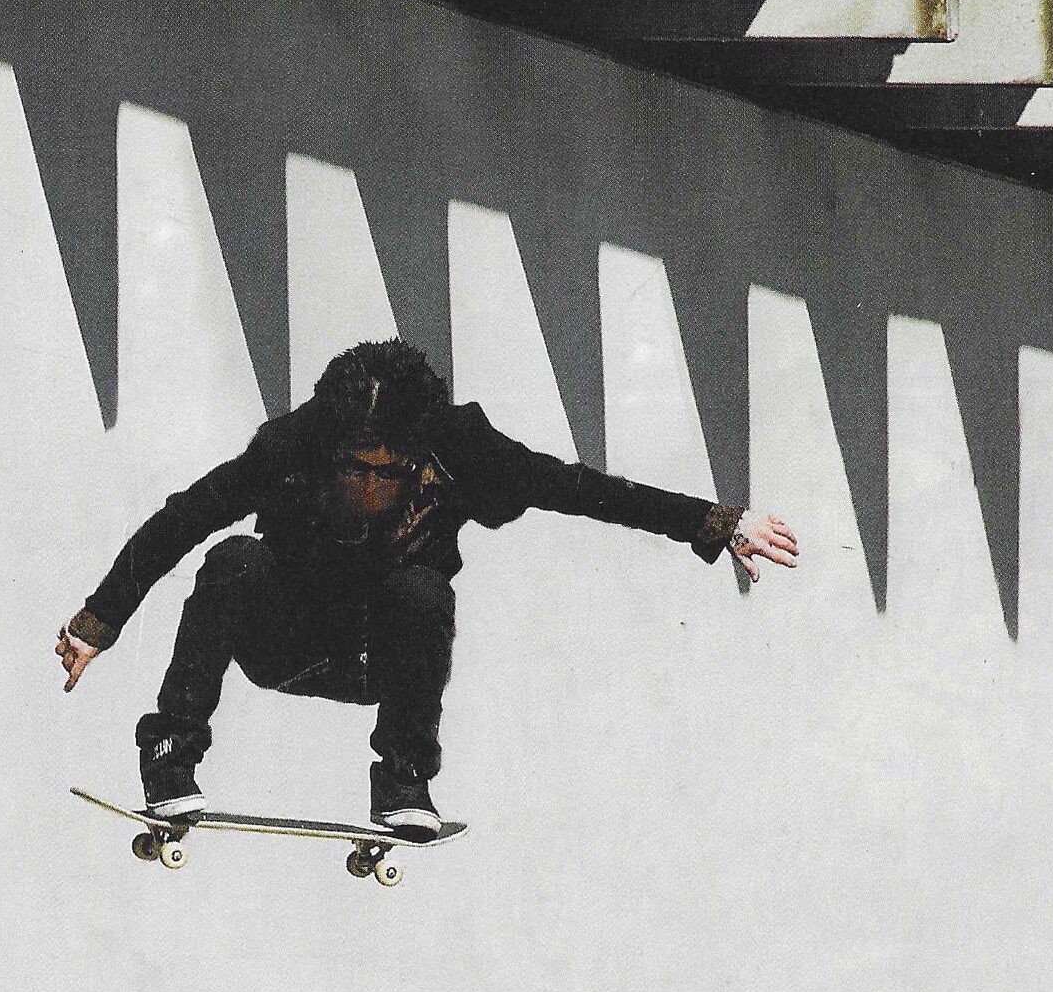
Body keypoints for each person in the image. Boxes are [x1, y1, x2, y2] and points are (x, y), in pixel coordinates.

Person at [56, 338, 797, 838]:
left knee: (423, 589)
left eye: (383, 471)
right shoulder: (290, 447)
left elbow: (582, 490)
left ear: (413, 458)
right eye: (351, 467)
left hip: (375, 661)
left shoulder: (462, 450)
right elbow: (181, 519)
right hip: (281, 643)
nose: (364, 486)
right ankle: (171, 755)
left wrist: (715, 522)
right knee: (233, 559)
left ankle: (404, 780)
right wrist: (97, 623)